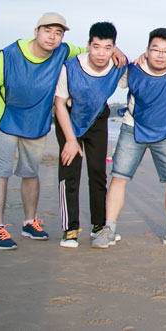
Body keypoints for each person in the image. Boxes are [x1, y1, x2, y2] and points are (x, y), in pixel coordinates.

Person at [0, 12, 124, 250]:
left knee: (30, 172)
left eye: (58, 33)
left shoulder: (63, 51)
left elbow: (96, 48)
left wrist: (116, 50)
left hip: (37, 120)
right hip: (7, 117)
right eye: (47, 31)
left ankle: (30, 222)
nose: (52, 37)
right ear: (36, 31)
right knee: (1, 171)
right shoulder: (10, 54)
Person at [92, 28, 166, 250]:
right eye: (155, 50)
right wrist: (116, 50)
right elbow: (105, 61)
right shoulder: (132, 69)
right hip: (133, 128)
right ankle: (109, 228)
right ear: (147, 51)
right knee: (119, 177)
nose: (161, 55)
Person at [53, 21, 125, 248]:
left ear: (114, 47)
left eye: (107, 47)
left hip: (97, 119)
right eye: (96, 47)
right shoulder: (70, 67)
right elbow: (59, 103)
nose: (101, 53)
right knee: (69, 172)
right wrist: (70, 140)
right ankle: (70, 229)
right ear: (88, 45)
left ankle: (98, 226)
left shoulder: (118, 66)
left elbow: (140, 73)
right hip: (69, 119)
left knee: (97, 172)